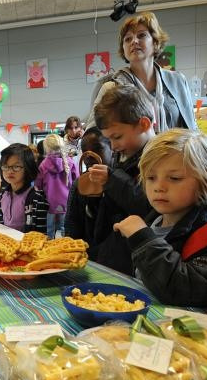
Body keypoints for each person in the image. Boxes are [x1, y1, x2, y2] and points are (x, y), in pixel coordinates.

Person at [113, 129, 207, 307]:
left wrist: (142, 239)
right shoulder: (156, 220)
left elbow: (183, 291)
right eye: (151, 177)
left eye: (174, 178)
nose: (159, 187)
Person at [85, 11, 195, 132]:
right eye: (127, 39)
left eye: (141, 35)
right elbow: (93, 136)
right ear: (123, 48)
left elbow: (191, 127)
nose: (134, 41)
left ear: (155, 42)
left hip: (175, 149)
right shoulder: (111, 87)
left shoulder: (177, 81)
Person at [88, 85, 155, 274]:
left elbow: (152, 206)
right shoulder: (125, 155)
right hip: (115, 251)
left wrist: (112, 180)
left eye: (117, 137)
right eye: (108, 140)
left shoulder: (160, 160)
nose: (113, 146)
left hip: (138, 256)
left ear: (144, 124)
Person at [63, 127, 111, 242]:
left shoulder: (121, 182)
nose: (89, 155)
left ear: (112, 148)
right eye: (85, 151)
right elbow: (72, 223)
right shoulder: (79, 185)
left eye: (97, 148)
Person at [0, 143, 48, 233]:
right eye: (5, 166)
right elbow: (1, 224)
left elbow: (40, 235)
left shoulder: (37, 198)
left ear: (28, 167)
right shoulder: (2, 194)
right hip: (6, 244)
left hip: (26, 245)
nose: (9, 171)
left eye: (16, 167)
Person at [35, 134, 78, 238]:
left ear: (47, 148)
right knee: (64, 227)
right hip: (66, 200)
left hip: (49, 201)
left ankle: (49, 247)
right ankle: (65, 246)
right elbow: (77, 180)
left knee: (49, 228)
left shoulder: (44, 164)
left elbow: (38, 185)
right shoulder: (70, 161)